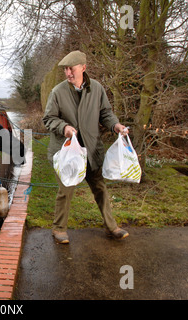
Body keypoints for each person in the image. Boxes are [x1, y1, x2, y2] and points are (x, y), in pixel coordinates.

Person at [42, 50, 129, 244]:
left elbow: (106, 113)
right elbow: (48, 119)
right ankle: (59, 229)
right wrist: (63, 127)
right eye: (65, 70)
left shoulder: (97, 89)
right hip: (66, 152)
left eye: (71, 69)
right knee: (66, 190)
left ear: (83, 67)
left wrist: (116, 126)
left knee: (100, 188)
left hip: (90, 150)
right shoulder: (58, 92)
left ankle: (111, 227)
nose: (68, 73)